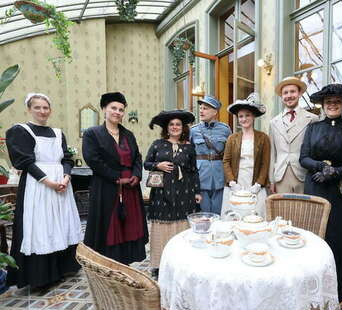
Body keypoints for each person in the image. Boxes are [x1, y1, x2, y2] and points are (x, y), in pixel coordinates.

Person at [6, 93, 81, 290]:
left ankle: (62, 269)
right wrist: (48, 182)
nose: (42, 111)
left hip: (62, 185)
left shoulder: (58, 133)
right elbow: (25, 161)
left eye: (45, 107)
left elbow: (66, 158)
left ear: (50, 110)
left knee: (60, 224)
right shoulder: (21, 131)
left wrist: (65, 177)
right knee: (41, 226)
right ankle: (41, 277)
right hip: (38, 186)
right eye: (37, 107)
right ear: (29, 109)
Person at [299, 84, 342, 302]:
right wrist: (320, 168)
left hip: (341, 190)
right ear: (323, 106)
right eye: (329, 103)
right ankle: (313, 288)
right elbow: (303, 158)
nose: (333, 105)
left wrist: (335, 171)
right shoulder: (313, 128)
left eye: (337, 102)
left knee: (341, 237)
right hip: (316, 186)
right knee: (317, 235)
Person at [83, 92, 148, 265]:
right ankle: (108, 261)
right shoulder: (92, 133)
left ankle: (127, 259)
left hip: (131, 189)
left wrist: (136, 174)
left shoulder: (129, 134)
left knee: (130, 223)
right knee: (109, 224)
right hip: (107, 187)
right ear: (104, 109)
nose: (117, 112)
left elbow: (137, 158)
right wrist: (117, 178)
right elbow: (93, 160)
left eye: (121, 109)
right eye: (113, 108)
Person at [145, 110, 201, 278]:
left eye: (178, 124)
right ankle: (159, 264)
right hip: (162, 193)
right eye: (172, 125)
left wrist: (197, 192)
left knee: (181, 225)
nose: (175, 127)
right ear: (167, 128)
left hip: (184, 192)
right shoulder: (157, 144)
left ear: (182, 128)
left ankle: (181, 263)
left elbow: (193, 171)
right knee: (163, 227)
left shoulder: (189, 147)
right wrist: (158, 165)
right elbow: (146, 163)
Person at [221, 94, 270, 218]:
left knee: (254, 217)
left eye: (247, 115)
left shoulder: (263, 137)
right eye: (241, 116)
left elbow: (265, 163)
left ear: (253, 117)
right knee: (234, 217)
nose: (244, 119)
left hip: (254, 184)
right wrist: (232, 182)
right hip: (237, 182)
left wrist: (258, 184)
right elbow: (226, 161)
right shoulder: (232, 138)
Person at [269, 76, 319, 194]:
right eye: (285, 93)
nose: (289, 95)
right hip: (281, 175)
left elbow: (316, 150)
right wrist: (271, 180)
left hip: (304, 174)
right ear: (281, 96)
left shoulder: (312, 119)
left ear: (300, 93)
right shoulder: (273, 122)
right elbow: (272, 153)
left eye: (293, 91)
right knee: (282, 210)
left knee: (303, 210)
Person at [190, 95, 231, 214]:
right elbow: (190, 155)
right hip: (201, 175)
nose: (201, 111)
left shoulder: (225, 129)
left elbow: (230, 154)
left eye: (205, 108)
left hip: (220, 176)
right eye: (201, 108)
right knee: (204, 214)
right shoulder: (193, 130)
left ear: (215, 112)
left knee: (219, 213)